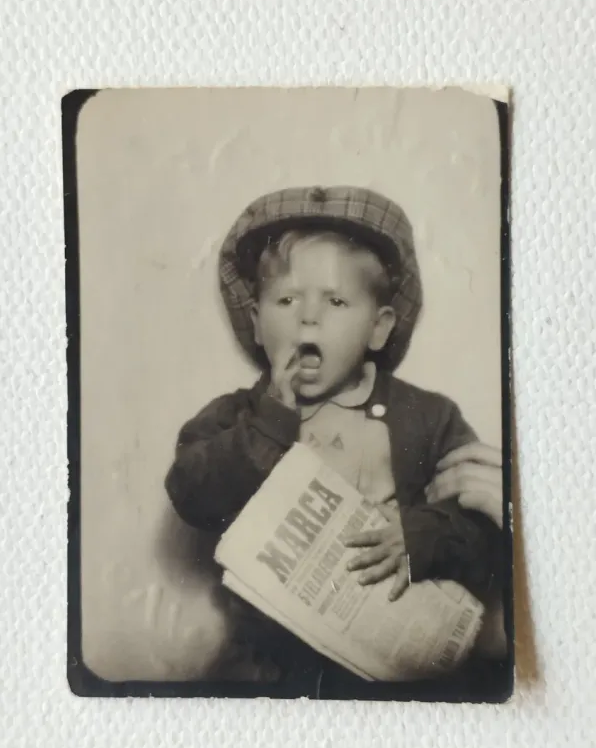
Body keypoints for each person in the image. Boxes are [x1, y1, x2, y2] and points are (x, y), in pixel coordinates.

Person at [165, 185, 506, 694]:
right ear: (257, 323)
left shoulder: (428, 417)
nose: (308, 317)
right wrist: (267, 425)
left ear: (378, 328)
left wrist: (425, 536)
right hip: (268, 665)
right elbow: (190, 493)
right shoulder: (237, 415)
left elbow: (484, 528)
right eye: (286, 300)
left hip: (392, 666)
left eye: (337, 301)